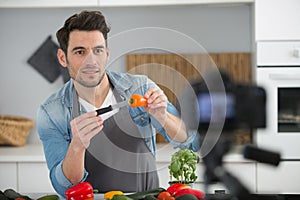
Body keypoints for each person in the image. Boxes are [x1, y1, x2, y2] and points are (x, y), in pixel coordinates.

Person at [37, 10, 200, 197]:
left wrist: (163, 117)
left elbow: (190, 142)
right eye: (80, 52)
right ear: (62, 58)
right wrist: (77, 146)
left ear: (106, 54)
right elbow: (63, 187)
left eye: (97, 51)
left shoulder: (140, 88)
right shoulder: (51, 112)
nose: (91, 61)